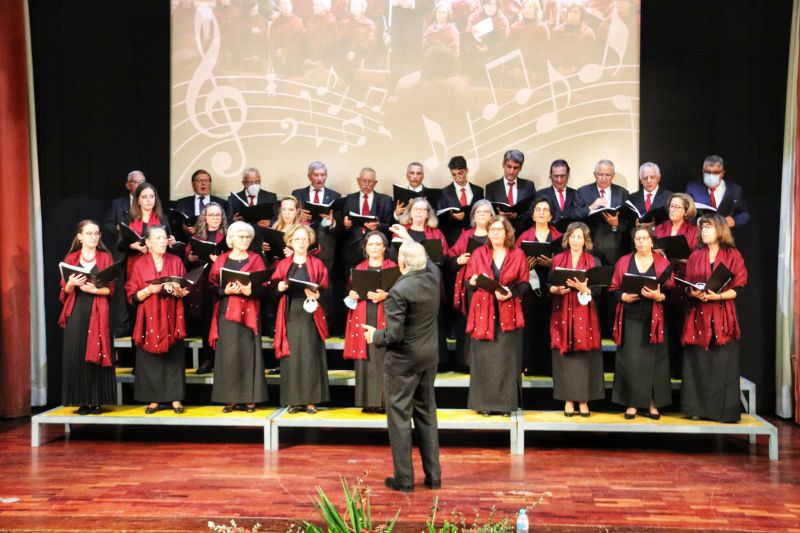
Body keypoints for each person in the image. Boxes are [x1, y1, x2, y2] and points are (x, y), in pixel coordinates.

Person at [362, 241, 441, 492]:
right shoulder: (433, 280)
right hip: (428, 358)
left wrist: (375, 336)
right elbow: (431, 264)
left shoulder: (398, 290)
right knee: (426, 415)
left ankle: (404, 480)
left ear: (402, 263)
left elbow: (394, 336)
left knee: (399, 419)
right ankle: (434, 477)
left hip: (404, 362)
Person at [681, 213, 748, 423]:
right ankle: (696, 409)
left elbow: (739, 287)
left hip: (722, 313)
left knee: (722, 362)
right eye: (702, 228)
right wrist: (693, 293)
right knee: (698, 361)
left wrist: (717, 296)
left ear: (720, 230)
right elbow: (687, 286)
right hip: (698, 314)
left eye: (708, 227)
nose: (704, 231)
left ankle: (723, 412)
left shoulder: (732, 255)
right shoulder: (695, 255)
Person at [464, 216, 529, 415]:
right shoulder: (478, 253)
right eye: (492, 230)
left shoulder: (518, 254)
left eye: (499, 229)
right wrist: (472, 282)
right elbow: (468, 281)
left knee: (506, 359)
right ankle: (484, 404)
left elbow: (524, 283)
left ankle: (506, 405)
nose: (495, 233)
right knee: (484, 359)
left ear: (507, 232)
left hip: (508, 311)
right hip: (483, 312)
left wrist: (511, 293)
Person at [609, 225, 674, 420]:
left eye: (645, 238)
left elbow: (671, 292)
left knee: (656, 362)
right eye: (637, 238)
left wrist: (659, 296)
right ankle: (632, 403)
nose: (641, 241)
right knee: (631, 360)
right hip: (630, 315)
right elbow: (613, 288)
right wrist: (623, 297)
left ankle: (653, 403)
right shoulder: (624, 261)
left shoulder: (663, 263)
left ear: (652, 241)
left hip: (654, 317)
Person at [125, 226, 190, 414]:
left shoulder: (176, 260)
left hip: (172, 314)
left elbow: (186, 288)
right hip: (149, 316)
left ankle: (176, 398)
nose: (163, 241)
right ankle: (153, 399)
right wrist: (147, 291)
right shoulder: (140, 264)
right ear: (148, 242)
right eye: (158, 238)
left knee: (174, 356)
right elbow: (131, 293)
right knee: (150, 359)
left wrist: (180, 290)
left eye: (164, 238)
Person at [208, 222, 269, 413]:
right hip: (226, 313)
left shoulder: (256, 259)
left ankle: (250, 398)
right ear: (231, 239)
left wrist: (251, 291)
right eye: (240, 236)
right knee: (229, 355)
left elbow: (265, 287)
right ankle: (230, 398)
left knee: (249, 354)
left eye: (247, 237)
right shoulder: (221, 260)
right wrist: (223, 291)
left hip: (250, 313)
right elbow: (210, 286)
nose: (244, 240)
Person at [58, 220, 116, 415]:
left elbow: (111, 290)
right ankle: (81, 401)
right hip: (77, 309)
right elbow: (65, 291)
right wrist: (71, 284)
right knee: (77, 353)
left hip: (99, 309)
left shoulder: (106, 257)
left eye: (96, 233)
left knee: (98, 352)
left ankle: (97, 400)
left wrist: (95, 290)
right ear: (80, 237)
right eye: (89, 233)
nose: (93, 237)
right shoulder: (71, 257)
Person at [271, 224, 330, 413]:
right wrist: (278, 289)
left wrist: (318, 295)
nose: (301, 243)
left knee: (310, 355)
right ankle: (294, 400)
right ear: (290, 242)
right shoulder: (283, 265)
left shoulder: (317, 264)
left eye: (304, 239)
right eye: (297, 239)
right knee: (292, 357)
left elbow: (327, 291)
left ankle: (311, 401)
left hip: (310, 314)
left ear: (309, 241)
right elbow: (271, 292)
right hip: (290, 312)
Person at [549, 222, 604, 417]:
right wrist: (555, 289)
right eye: (572, 236)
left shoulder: (594, 261)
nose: (575, 240)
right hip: (562, 311)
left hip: (585, 313)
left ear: (585, 240)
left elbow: (598, 290)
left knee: (584, 357)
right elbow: (549, 283)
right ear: (567, 238)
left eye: (579, 236)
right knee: (564, 358)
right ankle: (568, 400)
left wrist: (584, 289)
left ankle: (583, 401)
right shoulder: (558, 259)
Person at [572, 159, 630, 337]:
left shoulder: (622, 192)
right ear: (594, 175)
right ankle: (592, 334)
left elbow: (628, 221)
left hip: (615, 250)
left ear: (613, 175)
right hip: (592, 250)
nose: (604, 178)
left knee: (612, 295)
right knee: (593, 293)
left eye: (608, 175)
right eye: (600, 174)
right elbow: (574, 216)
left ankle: (612, 335)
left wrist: (616, 224)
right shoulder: (583, 192)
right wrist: (592, 207)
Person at [343, 231, 397, 413]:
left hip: (385, 315)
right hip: (363, 313)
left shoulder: (393, 268)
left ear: (384, 247)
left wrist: (386, 295)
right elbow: (350, 294)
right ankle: (368, 402)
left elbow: (403, 294)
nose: (374, 248)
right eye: (370, 244)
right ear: (365, 248)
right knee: (365, 359)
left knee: (383, 358)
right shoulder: (359, 268)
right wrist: (351, 295)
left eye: (378, 244)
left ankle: (384, 402)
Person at [515, 197, 562, 375]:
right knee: (531, 323)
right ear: (533, 215)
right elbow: (514, 261)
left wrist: (552, 263)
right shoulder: (523, 237)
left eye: (545, 210)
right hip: (530, 285)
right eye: (538, 210)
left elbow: (566, 262)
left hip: (552, 283)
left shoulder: (559, 237)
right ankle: (529, 363)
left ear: (550, 216)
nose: (541, 213)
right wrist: (525, 265)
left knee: (551, 322)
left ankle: (550, 365)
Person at [655, 192, 699, 377]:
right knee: (662, 328)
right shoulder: (660, 228)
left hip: (682, 282)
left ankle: (678, 372)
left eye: (677, 207)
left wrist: (676, 257)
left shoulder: (693, 231)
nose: (672, 210)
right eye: (671, 206)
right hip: (662, 281)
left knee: (678, 327)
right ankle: (662, 372)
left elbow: (697, 259)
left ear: (686, 211)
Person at [448, 199, 495, 370]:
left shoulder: (495, 234)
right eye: (478, 212)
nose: (482, 215)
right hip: (469, 285)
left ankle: (487, 360)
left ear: (492, 216)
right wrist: (459, 260)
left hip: (491, 284)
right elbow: (451, 257)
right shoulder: (466, 235)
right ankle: (466, 361)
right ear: (473, 216)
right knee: (467, 320)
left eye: (486, 212)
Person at [184, 202, 229, 374]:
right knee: (206, 321)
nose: (215, 218)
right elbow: (188, 256)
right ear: (205, 217)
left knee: (222, 321)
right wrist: (190, 258)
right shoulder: (197, 236)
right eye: (211, 215)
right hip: (202, 283)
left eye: (218, 215)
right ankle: (207, 358)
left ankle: (223, 360)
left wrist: (219, 260)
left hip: (222, 282)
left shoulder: (228, 235)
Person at [340, 167, 394, 276]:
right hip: (352, 249)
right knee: (352, 282)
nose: (366, 184)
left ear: (375, 183)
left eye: (370, 181)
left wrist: (378, 226)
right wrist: (345, 224)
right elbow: (341, 225)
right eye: (363, 181)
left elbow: (390, 225)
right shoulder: (349, 199)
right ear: (358, 181)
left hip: (376, 251)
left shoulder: (385, 200)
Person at [121, 182, 176, 278]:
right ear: (138, 200)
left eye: (151, 196)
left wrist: (171, 242)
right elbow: (120, 245)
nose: (149, 200)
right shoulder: (128, 218)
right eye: (144, 197)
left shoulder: (163, 218)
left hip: (158, 265)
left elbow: (169, 243)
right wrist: (132, 246)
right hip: (134, 264)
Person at [685, 155, 750, 228]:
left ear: (722, 173)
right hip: (701, 231)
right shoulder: (692, 188)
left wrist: (734, 221)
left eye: (716, 172)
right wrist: (698, 221)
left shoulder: (735, 190)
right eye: (707, 172)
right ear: (702, 171)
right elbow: (684, 212)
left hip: (725, 232)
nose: (711, 176)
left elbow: (744, 213)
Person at [484, 150, 536, 233]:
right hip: (500, 231)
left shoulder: (528, 185)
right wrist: (499, 215)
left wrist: (518, 215)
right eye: (509, 166)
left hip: (523, 231)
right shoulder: (491, 187)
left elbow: (533, 210)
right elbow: (488, 213)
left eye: (515, 168)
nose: (511, 171)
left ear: (520, 168)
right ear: (503, 165)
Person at [438, 155, 485, 246]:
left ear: (466, 170)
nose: (457, 177)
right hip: (454, 239)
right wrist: (451, 216)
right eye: (454, 174)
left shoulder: (479, 191)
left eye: (460, 173)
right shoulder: (444, 192)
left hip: (476, 237)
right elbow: (440, 218)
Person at [172, 169, 228, 241]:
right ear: (193, 184)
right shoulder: (182, 203)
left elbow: (225, 224)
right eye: (199, 181)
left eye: (206, 180)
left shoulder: (222, 203)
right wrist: (184, 228)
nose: (203, 183)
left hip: (214, 240)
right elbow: (176, 224)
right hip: (189, 240)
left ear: (210, 184)